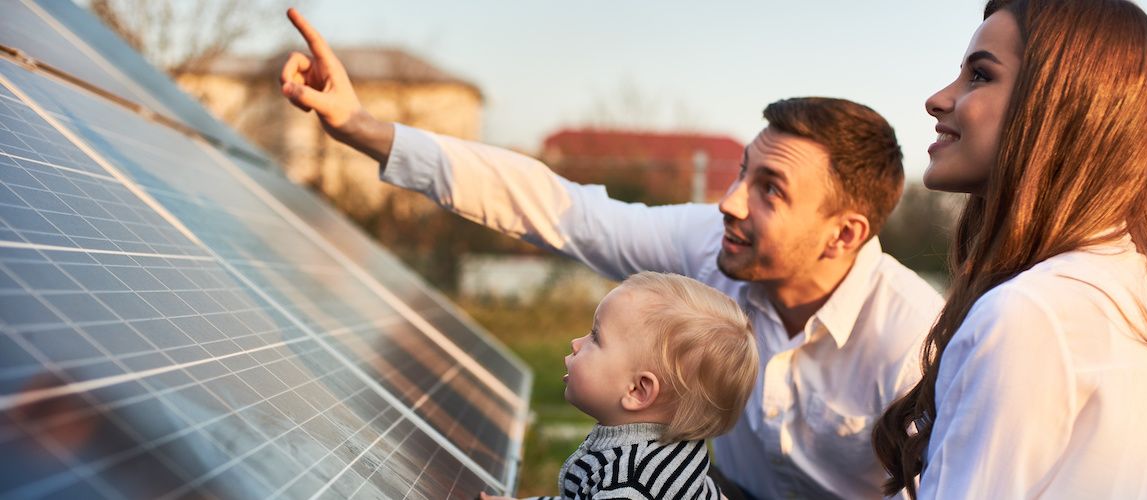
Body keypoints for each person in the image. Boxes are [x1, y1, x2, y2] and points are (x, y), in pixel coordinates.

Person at [279, 9, 945, 498]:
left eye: (770, 190)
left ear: (845, 234)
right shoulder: (712, 246)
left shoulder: (912, 337)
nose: (731, 202)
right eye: (743, 172)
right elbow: (558, 209)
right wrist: (362, 129)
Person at [871, 0, 1147, 497]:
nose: (938, 99)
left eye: (980, 75)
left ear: (1064, 103)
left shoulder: (1031, 314)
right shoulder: (1135, 283)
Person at [480, 271, 757, 499]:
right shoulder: (652, 446)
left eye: (595, 337)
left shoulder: (632, 485)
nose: (576, 344)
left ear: (637, 391)